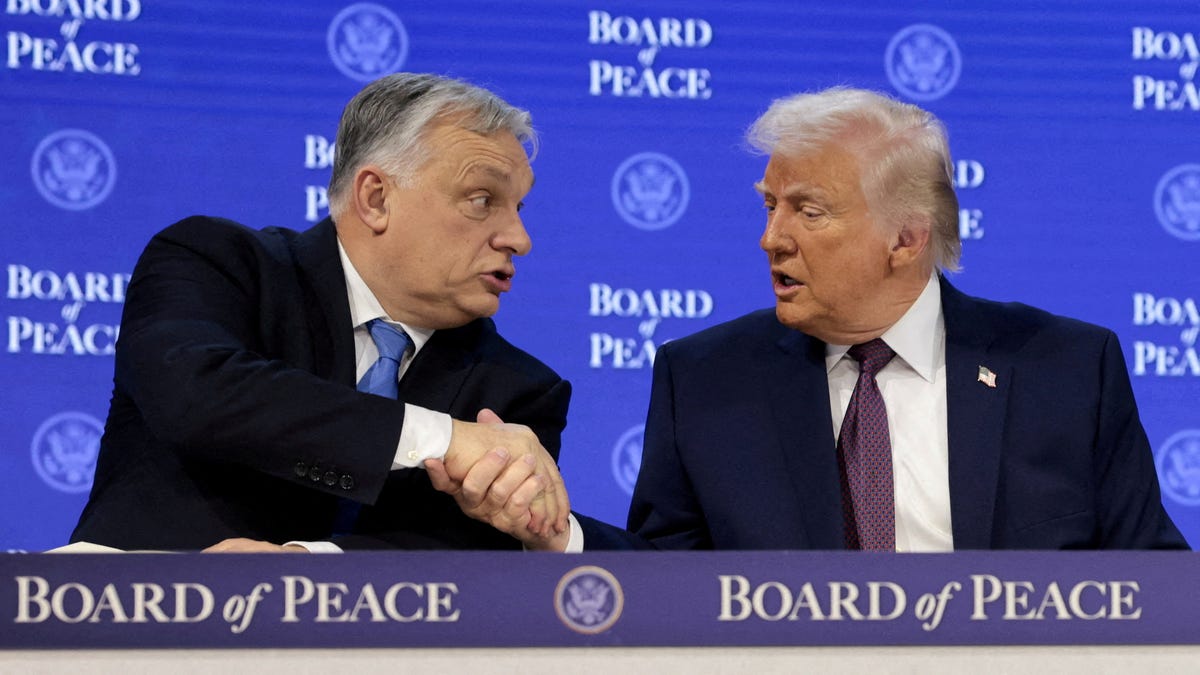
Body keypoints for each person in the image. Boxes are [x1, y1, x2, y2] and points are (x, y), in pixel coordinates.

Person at [454, 86, 1188, 552]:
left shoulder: (1065, 368)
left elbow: (1153, 583)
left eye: (809, 210)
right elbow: (664, 588)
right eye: (768, 205)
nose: (773, 236)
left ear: (906, 238)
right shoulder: (705, 378)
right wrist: (558, 536)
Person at [70, 72, 570, 552]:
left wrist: (308, 571)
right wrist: (443, 437)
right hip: (138, 619)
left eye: (518, 208)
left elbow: (469, 551)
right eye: (482, 200)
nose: (519, 240)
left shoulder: (517, 393)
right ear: (376, 199)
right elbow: (197, 394)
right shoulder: (217, 263)